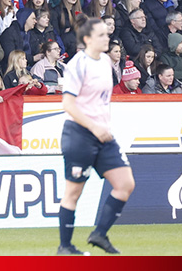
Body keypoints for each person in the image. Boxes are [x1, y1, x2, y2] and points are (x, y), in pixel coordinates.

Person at [58, 17, 135, 255]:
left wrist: (103, 126)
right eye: (102, 35)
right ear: (87, 39)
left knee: (125, 184)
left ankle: (99, 234)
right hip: (81, 134)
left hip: (103, 135)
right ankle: (66, 247)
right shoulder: (77, 65)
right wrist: (94, 127)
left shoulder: (104, 61)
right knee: (73, 192)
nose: (107, 38)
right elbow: (68, 105)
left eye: (107, 34)